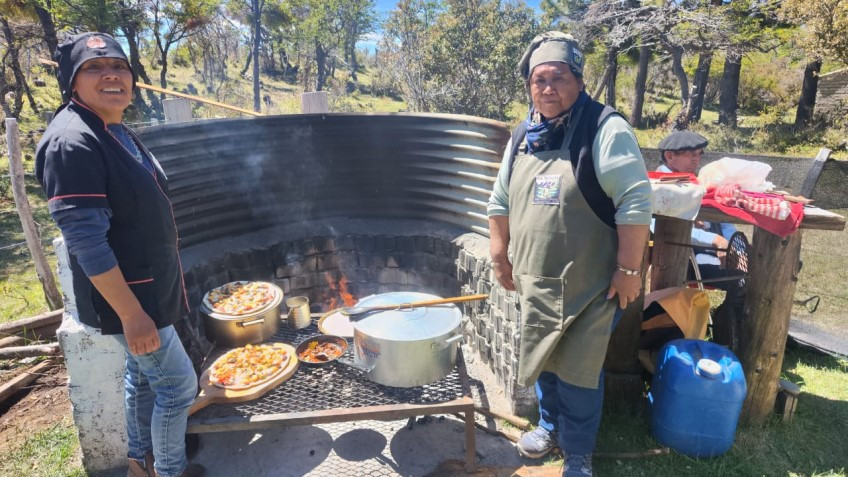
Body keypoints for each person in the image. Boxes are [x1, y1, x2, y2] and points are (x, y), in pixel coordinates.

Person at [36, 33, 202, 477]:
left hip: (146, 288)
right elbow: (86, 242)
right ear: (71, 82)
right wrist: (131, 316)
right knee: (178, 387)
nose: (111, 74)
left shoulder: (111, 127)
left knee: (143, 376)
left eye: (119, 65)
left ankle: (137, 463)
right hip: (131, 298)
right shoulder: (72, 143)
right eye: (93, 67)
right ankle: (170, 471)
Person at [487, 32, 652, 477]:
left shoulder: (605, 128)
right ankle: (548, 425)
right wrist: (500, 255)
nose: (547, 88)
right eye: (538, 80)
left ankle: (578, 453)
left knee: (579, 374)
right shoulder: (523, 134)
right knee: (544, 360)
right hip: (536, 282)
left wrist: (628, 269)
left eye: (557, 78)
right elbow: (499, 201)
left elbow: (636, 203)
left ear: (578, 81)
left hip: (591, 286)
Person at [655, 131, 743, 290]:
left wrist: (736, 247)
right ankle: (731, 312)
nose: (697, 160)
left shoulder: (692, 181)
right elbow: (659, 229)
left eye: (698, 154)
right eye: (691, 155)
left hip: (707, 250)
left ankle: (730, 313)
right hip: (680, 256)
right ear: (669, 156)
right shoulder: (659, 186)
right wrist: (715, 240)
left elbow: (721, 219)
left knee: (763, 265)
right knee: (746, 279)